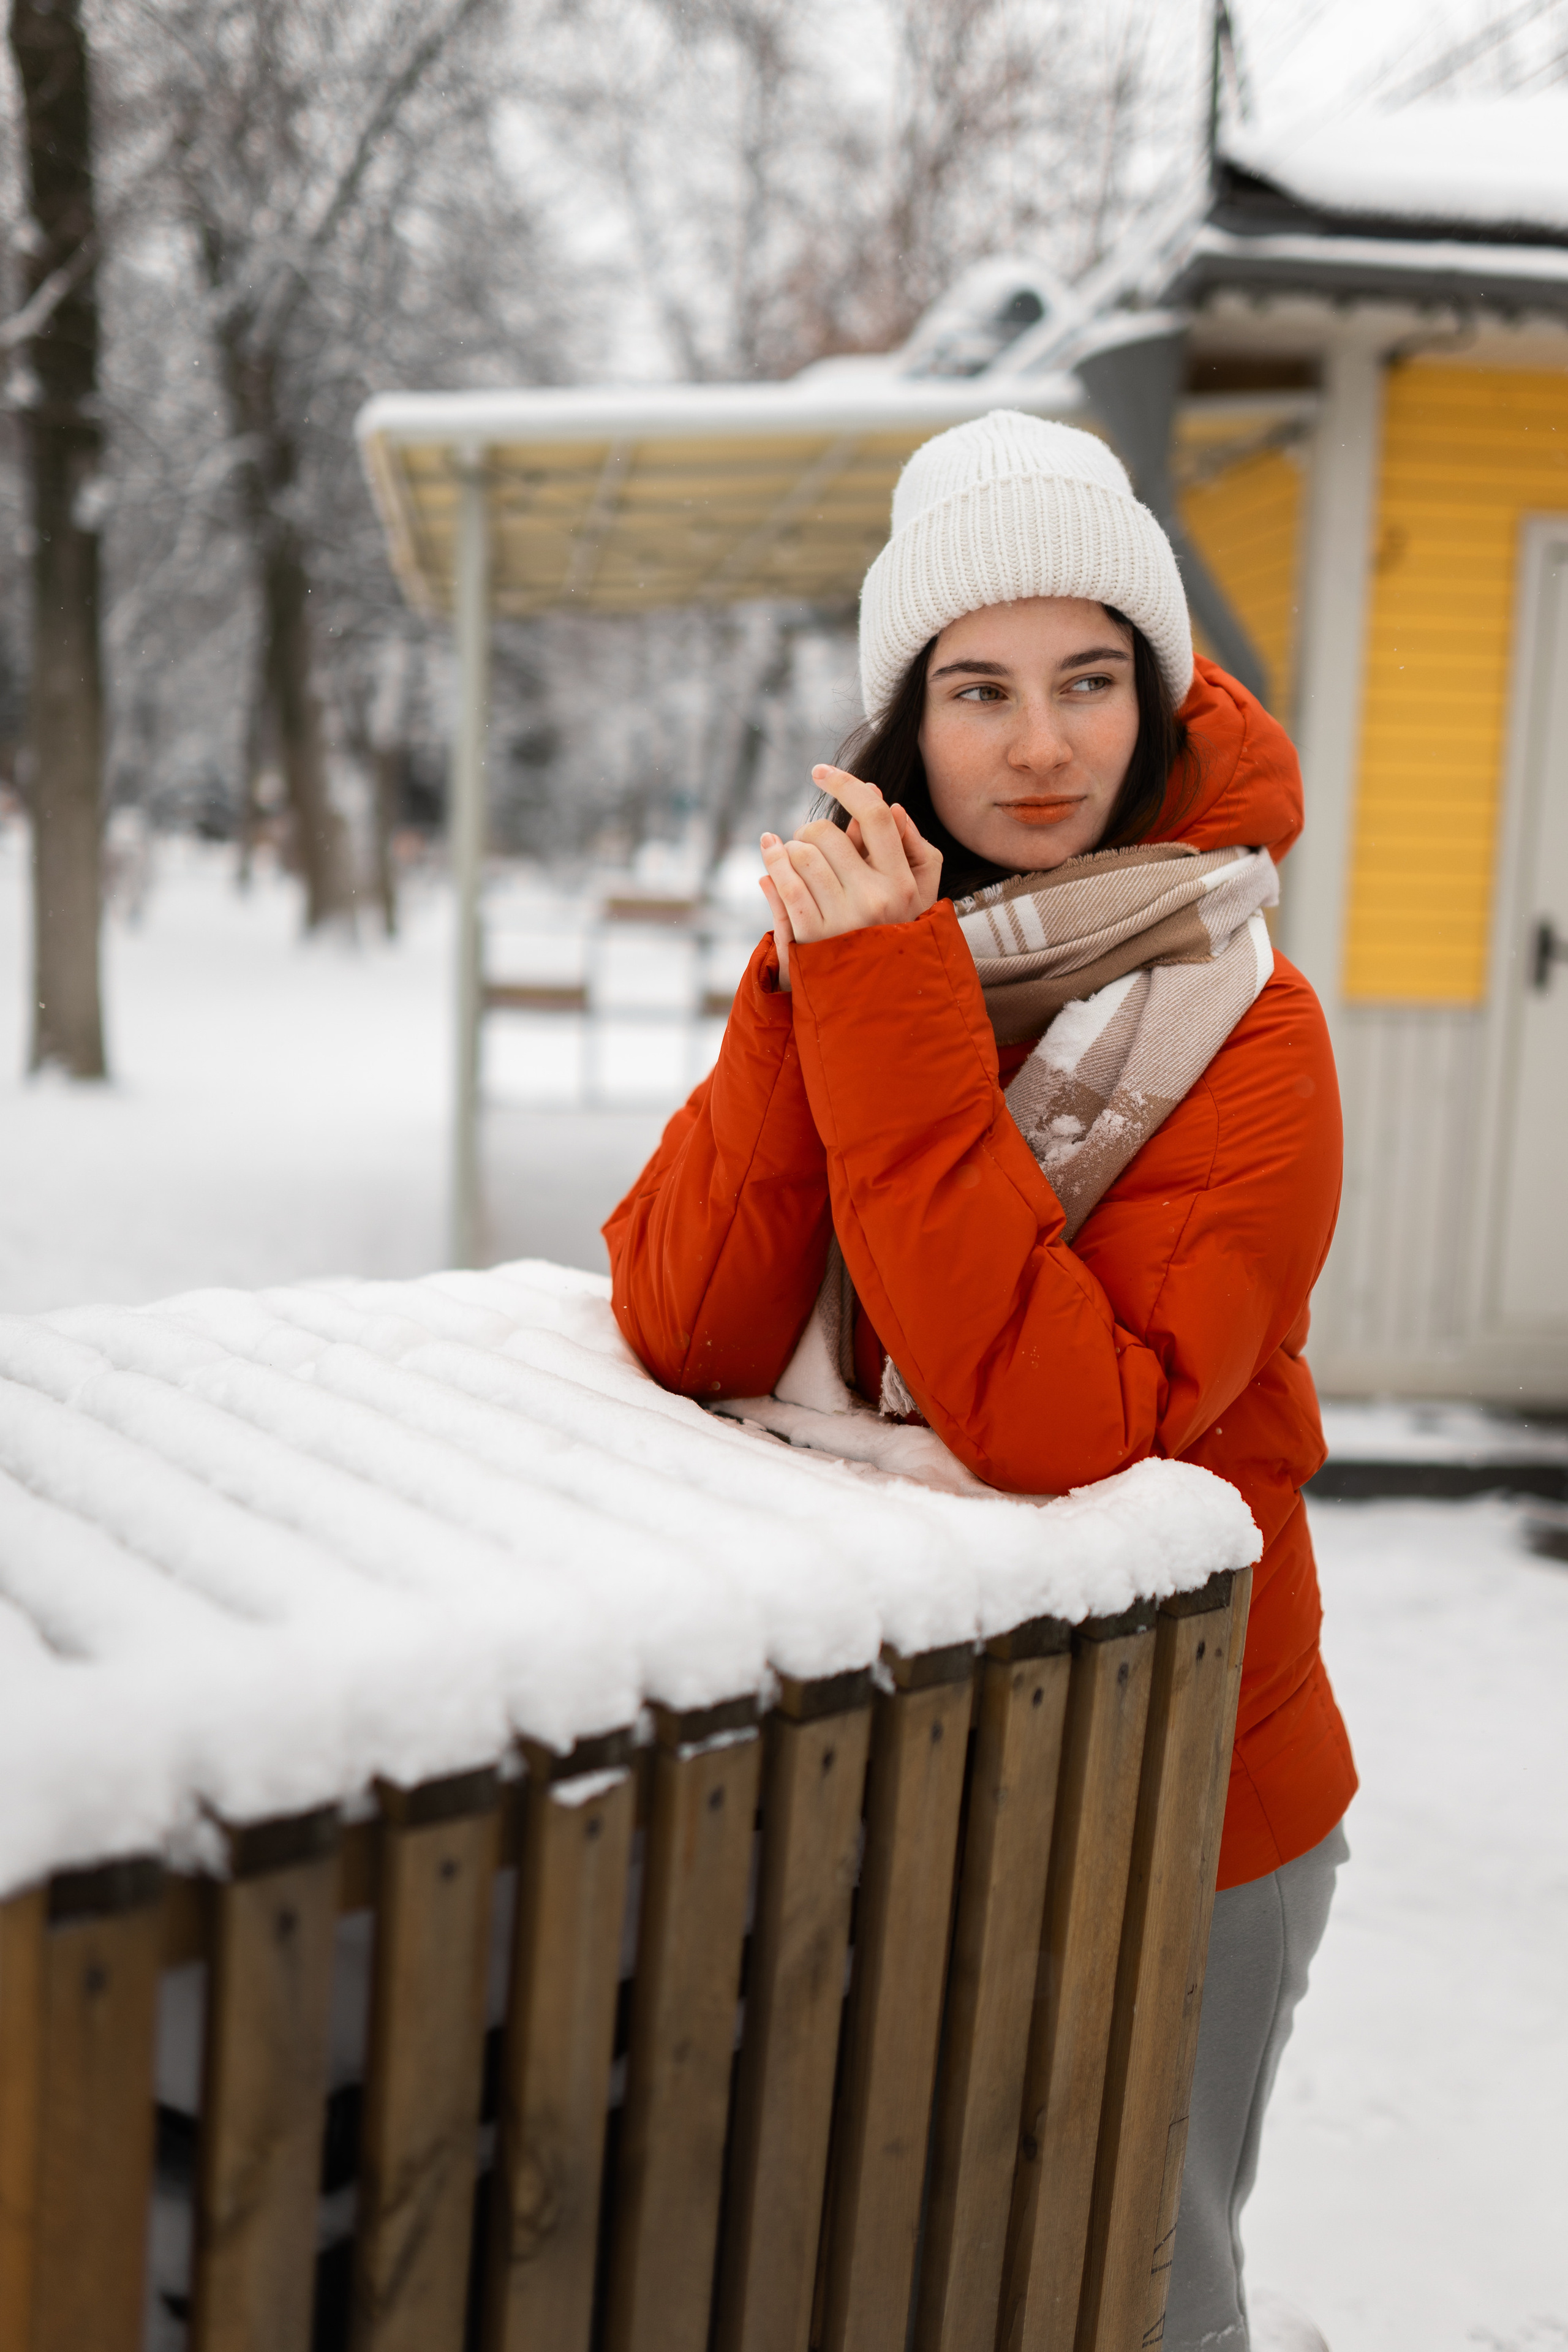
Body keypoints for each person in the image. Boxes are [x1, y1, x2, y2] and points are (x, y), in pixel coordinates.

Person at [604, 410, 1355, 2351]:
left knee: (1135, 2282)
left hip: (1182, 1788)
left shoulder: (1255, 1033)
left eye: (1092, 681)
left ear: (1158, 701)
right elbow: (686, 1318)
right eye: (983, 690)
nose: (1040, 746)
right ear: (905, 733)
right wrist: (816, 992)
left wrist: (881, 1004)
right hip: (903, 1754)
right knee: (891, 2271)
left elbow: (1057, 1423)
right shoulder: (867, 952)